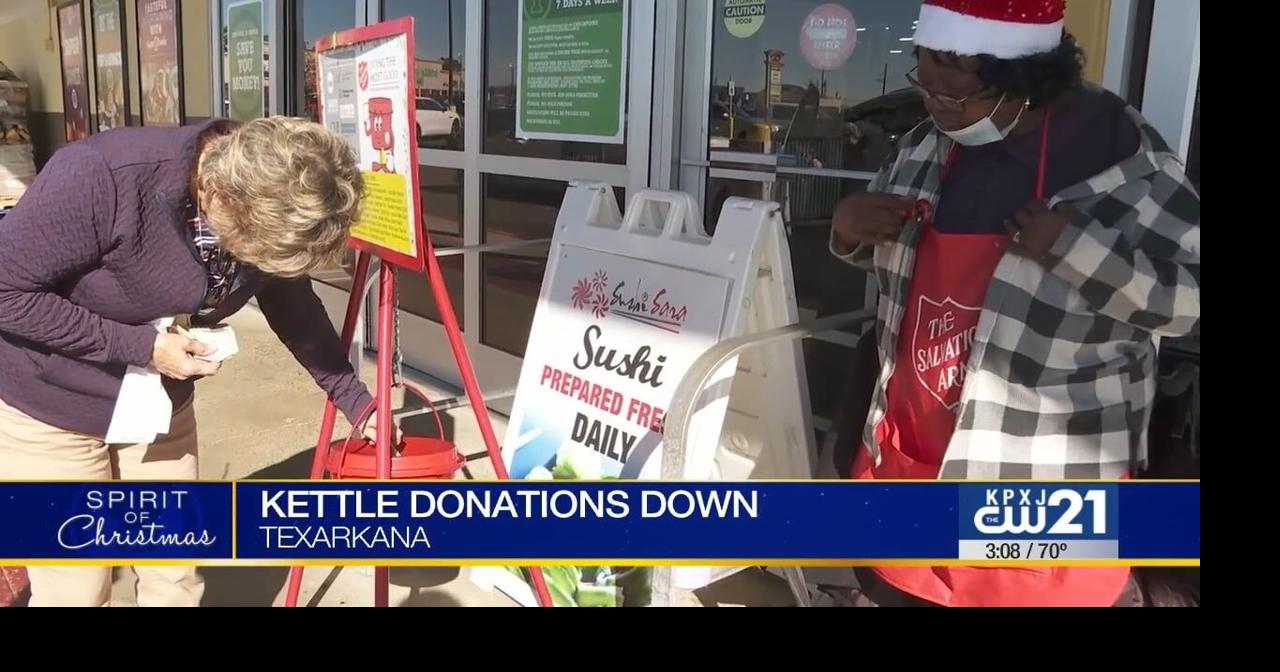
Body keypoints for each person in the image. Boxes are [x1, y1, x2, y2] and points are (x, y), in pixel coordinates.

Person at [830, 0, 1200, 607]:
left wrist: (1075, 249)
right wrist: (849, 228)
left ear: (1024, 74)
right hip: (911, 466)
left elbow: (1188, 304)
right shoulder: (926, 147)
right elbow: (894, 266)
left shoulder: (1123, 160)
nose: (933, 99)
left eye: (953, 77)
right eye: (923, 70)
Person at [0, 116, 376, 607]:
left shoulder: (272, 192)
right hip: (52, 403)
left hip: (156, 405)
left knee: (174, 574)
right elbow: (6, 292)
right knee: (77, 587)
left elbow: (294, 305)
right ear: (221, 197)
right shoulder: (102, 175)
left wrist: (356, 400)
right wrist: (142, 347)